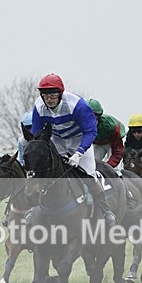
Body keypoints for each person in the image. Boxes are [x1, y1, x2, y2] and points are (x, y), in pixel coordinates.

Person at [30, 73, 116, 227]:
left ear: (60, 93)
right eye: (45, 95)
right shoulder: (38, 107)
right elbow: (37, 135)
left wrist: (79, 153)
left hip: (80, 140)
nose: (49, 99)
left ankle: (105, 210)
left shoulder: (77, 105)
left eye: (53, 95)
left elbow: (91, 132)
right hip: (57, 141)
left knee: (89, 175)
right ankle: (33, 209)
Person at [88, 98, 125, 168]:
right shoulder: (79, 125)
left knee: (114, 169)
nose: (90, 121)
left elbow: (117, 152)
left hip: (113, 141)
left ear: (99, 117)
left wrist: (108, 167)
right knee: (91, 164)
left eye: (94, 117)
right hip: (99, 143)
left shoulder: (110, 127)